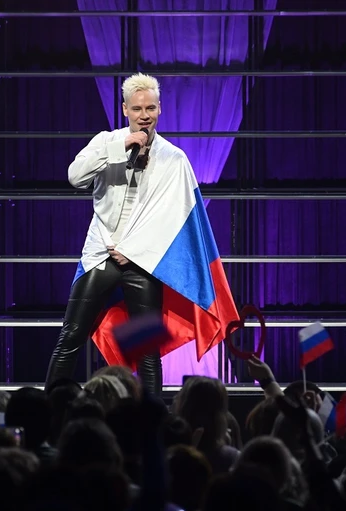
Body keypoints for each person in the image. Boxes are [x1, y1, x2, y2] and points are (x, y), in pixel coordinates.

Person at [45, 73, 240, 395]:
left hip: (143, 264)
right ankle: (51, 406)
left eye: (150, 108)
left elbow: (176, 221)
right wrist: (120, 146)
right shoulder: (105, 142)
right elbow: (75, 177)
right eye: (137, 109)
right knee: (71, 335)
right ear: (125, 109)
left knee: (148, 350)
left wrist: (135, 250)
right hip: (100, 256)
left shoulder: (174, 159)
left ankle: (152, 416)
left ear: (160, 109)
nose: (144, 115)